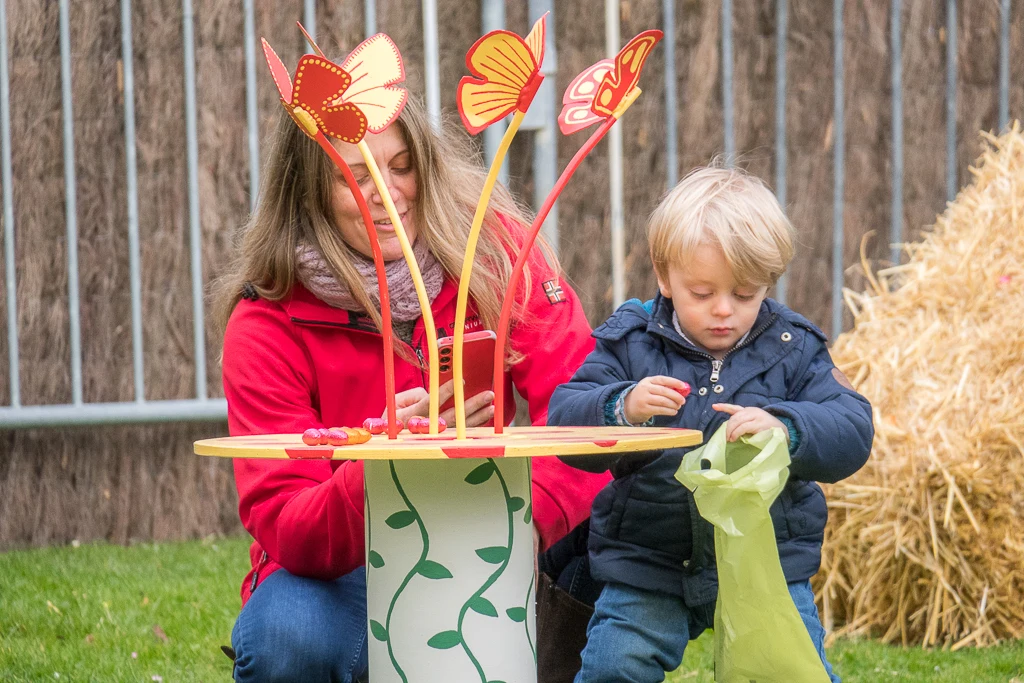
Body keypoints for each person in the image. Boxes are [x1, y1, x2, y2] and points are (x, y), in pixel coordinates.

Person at [213, 96, 610, 683]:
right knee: (285, 638)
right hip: (347, 568)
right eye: (355, 175)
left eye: (400, 167)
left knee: (623, 537)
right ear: (309, 192)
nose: (386, 192)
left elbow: (586, 401)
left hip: (502, 526)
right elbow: (289, 524)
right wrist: (382, 461)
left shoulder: (496, 254)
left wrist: (525, 522)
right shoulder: (268, 322)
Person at [547, 164, 874, 682]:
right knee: (615, 666)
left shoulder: (794, 347)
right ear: (663, 274)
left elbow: (852, 427)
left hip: (766, 561)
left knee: (790, 671)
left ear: (769, 279)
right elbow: (564, 421)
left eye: (745, 294)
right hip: (648, 559)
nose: (724, 311)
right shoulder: (631, 343)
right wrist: (622, 406)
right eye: (702, 293)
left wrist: (786, 428)